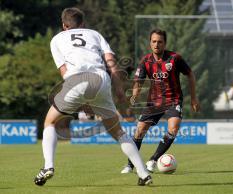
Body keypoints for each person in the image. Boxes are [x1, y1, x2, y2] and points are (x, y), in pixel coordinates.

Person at [34, 7, 152, 186]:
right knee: (118, 131)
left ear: (64, 25)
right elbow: (111, 63)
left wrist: (80, 97)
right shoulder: (94, 34)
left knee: (50, 121)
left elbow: (64, 71)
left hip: (76, 79)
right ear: (83, 24)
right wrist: (119, 90)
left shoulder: (56, 39)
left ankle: (48, 166)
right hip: (101, 79)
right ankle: (144, 174)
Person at [121, 29, 200, 173]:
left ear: (165, 43)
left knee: (173, 129)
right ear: (150, 43)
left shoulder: (175, 58)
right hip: (154, 101)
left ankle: (153, 160)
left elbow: (190, 75)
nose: (157, 44)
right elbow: (138, 82)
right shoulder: (146, 61)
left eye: (160, 42)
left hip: (173, 100)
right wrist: (135, 95)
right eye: (154, 41)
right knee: (139, 132)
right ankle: (130, 165)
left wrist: (194, 98)